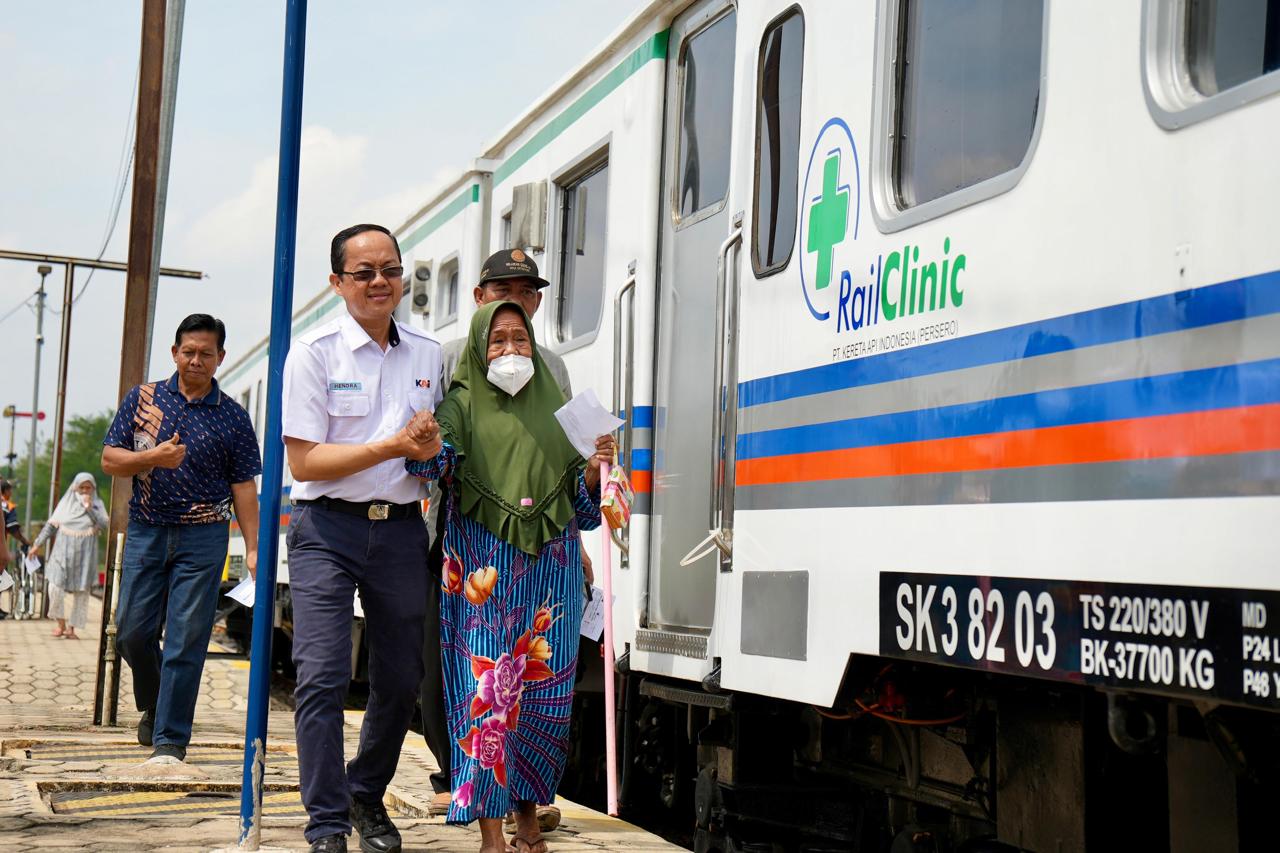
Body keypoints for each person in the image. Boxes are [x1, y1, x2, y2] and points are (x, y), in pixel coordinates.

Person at [406, 301, 615, 853]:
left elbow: (583, 507)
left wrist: (594, 468)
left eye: (520, 340)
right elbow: (434, 466)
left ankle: (529, 823)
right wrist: (428, 442)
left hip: (553, 574)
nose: (510, 352)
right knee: (488, 699)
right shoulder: (458, 404)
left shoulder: (561, 411)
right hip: (483, 575)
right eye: (497, 341)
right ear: (478, 347)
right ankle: (492, 836)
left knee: (543, 702)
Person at [282, 223, 444, 853]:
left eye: (392, 270)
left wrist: (431, 450)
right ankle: (326, 823)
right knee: (321, 676)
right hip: (327, 529)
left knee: (402, 679)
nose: (381, 282)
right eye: (365, 273)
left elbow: (428, 453)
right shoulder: (315, 353)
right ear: (337, 283)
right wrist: (392, 445)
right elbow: (305, 463)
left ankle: (365, 794)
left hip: (402, 531)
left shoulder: (428, 353)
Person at [420, 249, 585, 825]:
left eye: (528, 292)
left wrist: (579, 539)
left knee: (539, 676)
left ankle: (528, 804)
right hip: (464, 536)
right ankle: (462, 782)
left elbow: (561, 461)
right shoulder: (448, 363)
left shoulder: (553, 368)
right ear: (479, 300)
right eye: (502, 291)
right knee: (471, 670)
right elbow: (435, 450)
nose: (515, 304)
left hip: (544, 547)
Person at [102, 314, 262, 765]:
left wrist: (254, 547)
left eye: (205, 354)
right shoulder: (144, 399)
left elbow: (244, 487)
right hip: (147, 530)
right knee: (132, 634)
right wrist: (154, 456)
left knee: (186, 641)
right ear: (175, 352)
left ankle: (170, 739)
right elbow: (110, 460)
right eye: (188, 351)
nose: (196, 360)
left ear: (220, 359)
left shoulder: (233, 416)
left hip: (205, 537)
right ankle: (156, 703)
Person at [30, 472, 108, 639]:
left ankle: (72, 628)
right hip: (62, 553)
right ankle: (60, 623)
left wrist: (89, 509)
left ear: (94, 489)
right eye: (82, 487)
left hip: (85, 556)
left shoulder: (97, 505)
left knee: (82, 593)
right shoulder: (65, 504)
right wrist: (37, 545)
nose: (85, 491)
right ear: (75, 488)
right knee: (54, 587)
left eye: (89, 487)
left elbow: (103, 524)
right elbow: (50, 526)